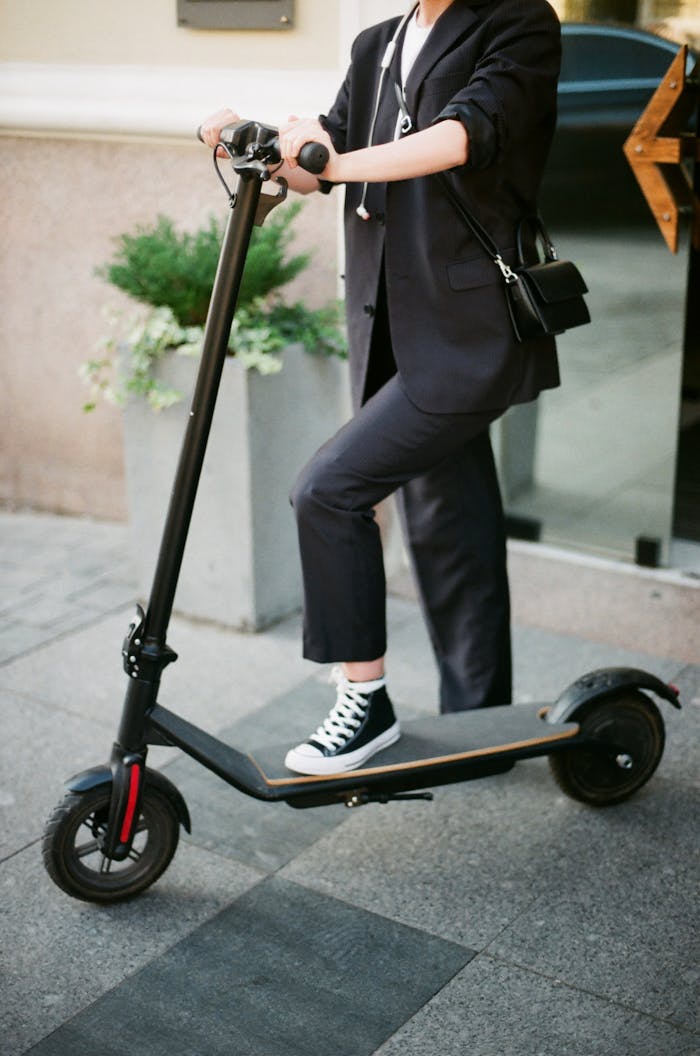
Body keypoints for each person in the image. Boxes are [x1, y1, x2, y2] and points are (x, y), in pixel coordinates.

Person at [200, 0, 562, 776]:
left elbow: (463, 137)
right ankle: (482, 722)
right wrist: (261, 147)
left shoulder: (519, 23)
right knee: (450, 524)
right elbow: (316, 161)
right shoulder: (378, 43)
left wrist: (334, 159)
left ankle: (366, 704)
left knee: (328, 493)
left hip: (465, 336)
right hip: (391, 327)